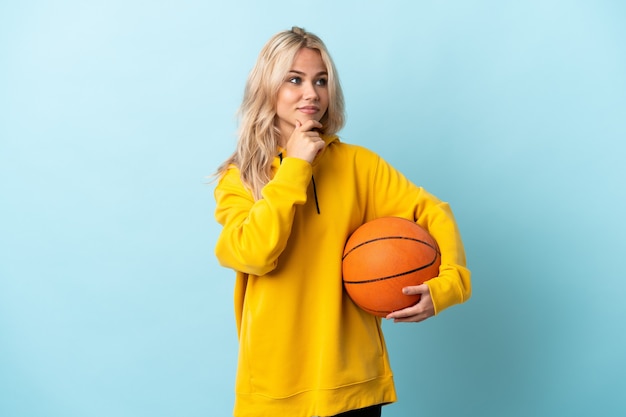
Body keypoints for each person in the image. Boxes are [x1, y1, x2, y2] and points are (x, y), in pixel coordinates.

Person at [213, 26, 471, 417]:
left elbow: (432, 211)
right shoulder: (240, 178)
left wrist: (448, 285)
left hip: (354, 383)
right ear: (267, 87)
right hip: (275, 388)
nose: (311, 93)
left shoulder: (357, 165)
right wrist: (296, 168)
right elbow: (253, 253)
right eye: (294, 80)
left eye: (321, 81)